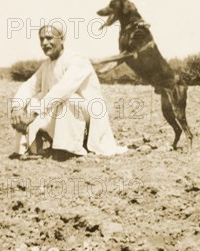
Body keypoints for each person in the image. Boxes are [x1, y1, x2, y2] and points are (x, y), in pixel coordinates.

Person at [9, 23, 127, 157]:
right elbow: (29, 86)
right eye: (41, 39)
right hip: (61, 112)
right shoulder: (46, 65)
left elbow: (63, 89)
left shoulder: (76, 59)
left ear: (62, 39)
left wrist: (35, 113)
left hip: (89, 114)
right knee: (32, 101)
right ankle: (26, 149)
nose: (44, 43)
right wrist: (17, 107)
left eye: (49, 38)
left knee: (68, 99)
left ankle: (69, 149)